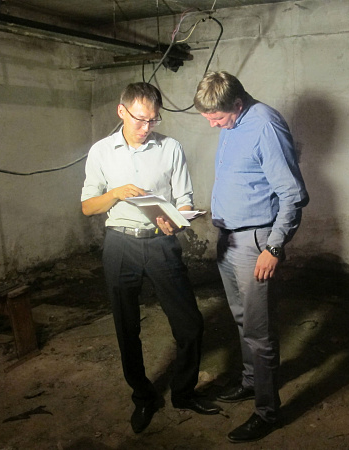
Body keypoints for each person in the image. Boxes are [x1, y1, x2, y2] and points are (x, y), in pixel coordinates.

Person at [81, 82, 220, 435]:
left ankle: (184, 393)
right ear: (121, 111)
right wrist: (115, 193)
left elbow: (184, 199)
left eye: (153, 120)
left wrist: (178, 219)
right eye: (140, 119)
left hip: (161, 243)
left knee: (190, 324)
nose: (146, 127)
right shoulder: (101, 152)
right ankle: (143, 396)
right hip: (120, 244)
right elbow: (88, 207)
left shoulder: (170, 148)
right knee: (127, 328)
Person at [193, 71, 309, 443]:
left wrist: (273, 247)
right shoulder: (233, 123)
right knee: (242, 319)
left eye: (217, 118)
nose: (213, 125)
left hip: (255, 241)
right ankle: (250, 382)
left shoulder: (265, 126)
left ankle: (267, 412)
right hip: (229, 239)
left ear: (238, 104)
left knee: (259, 331)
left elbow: (292, 196)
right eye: (208, 117)